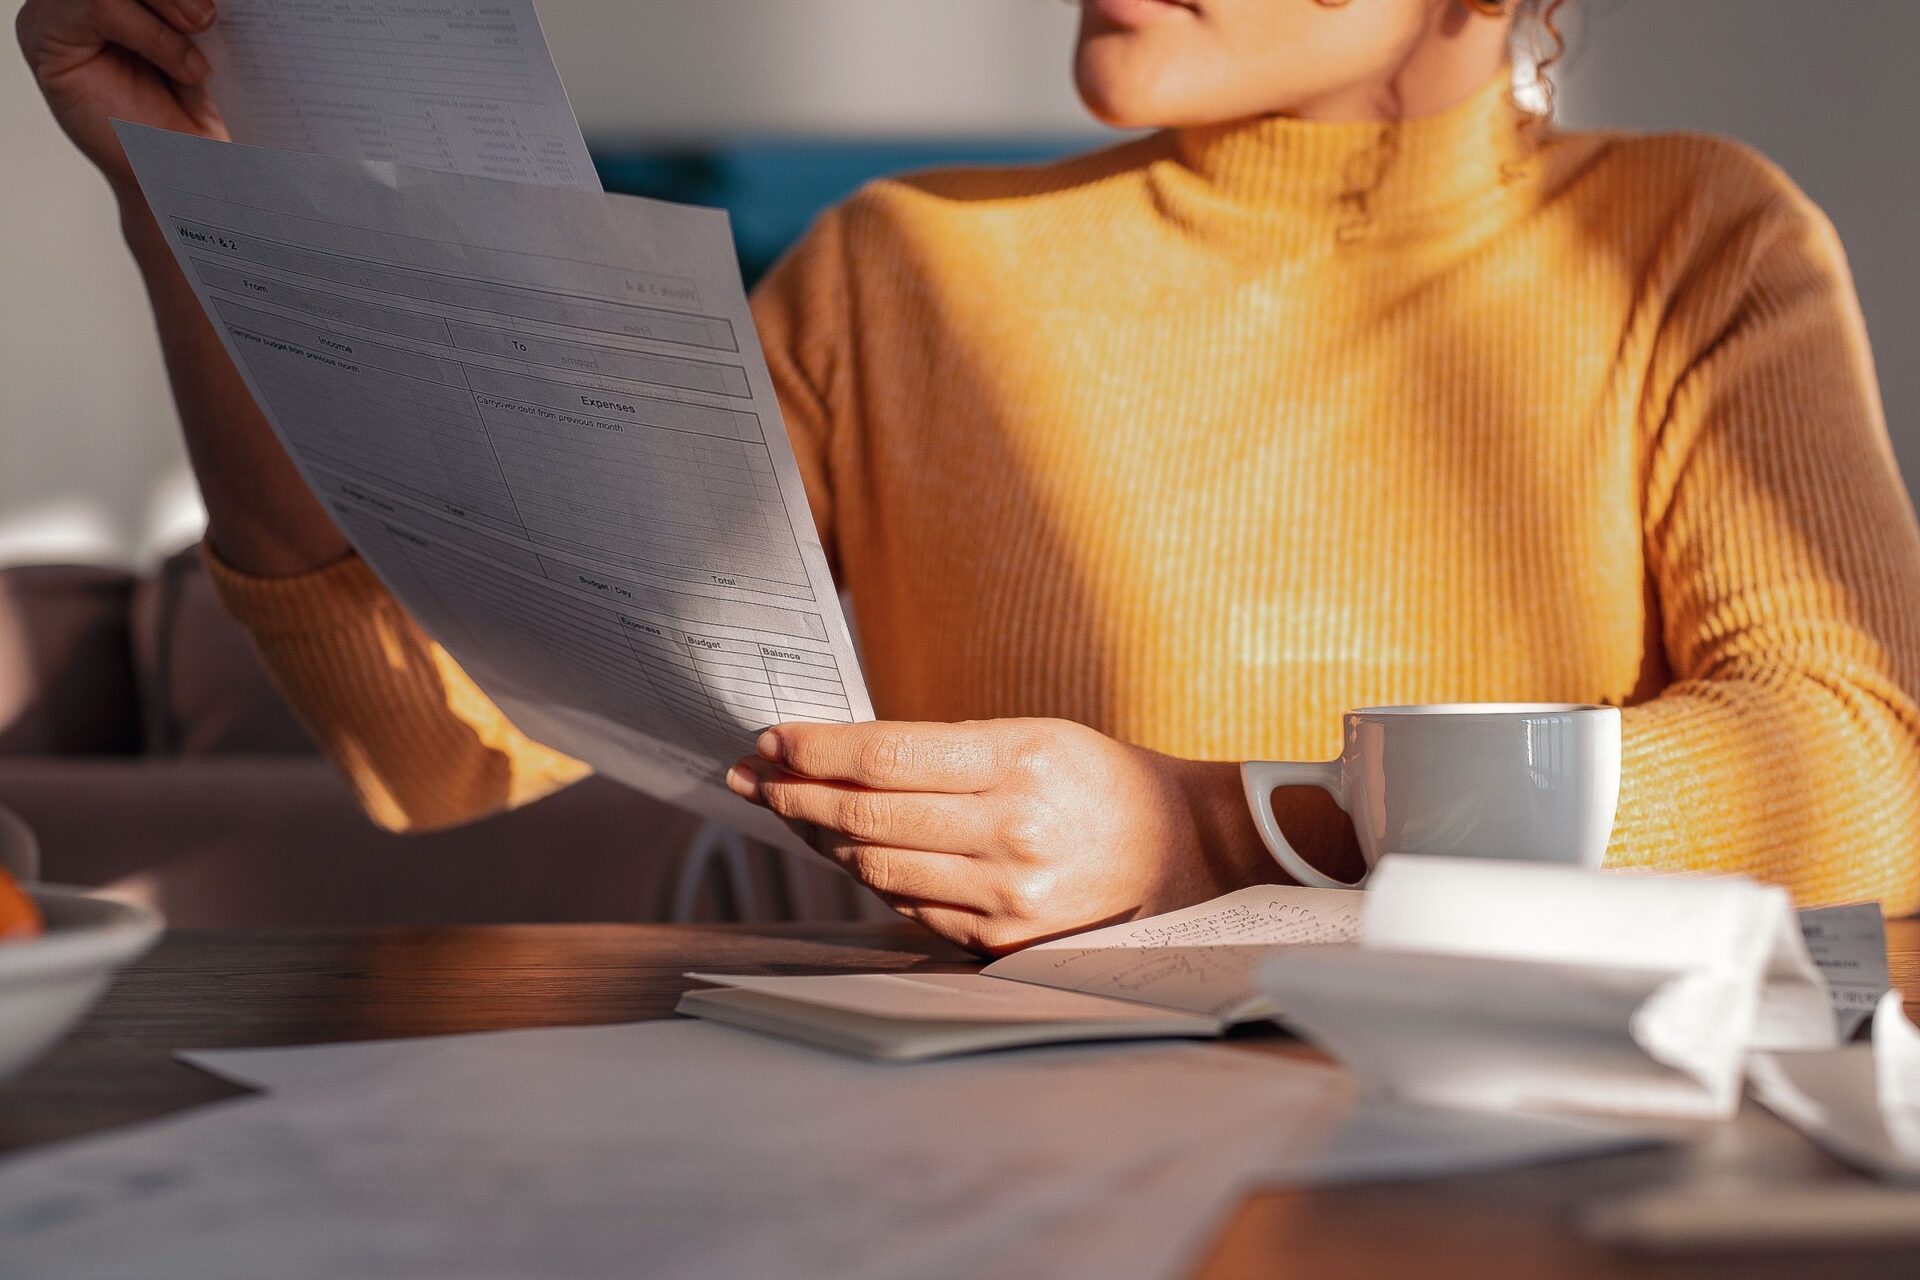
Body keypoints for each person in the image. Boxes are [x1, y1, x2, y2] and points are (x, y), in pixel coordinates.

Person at [17, 0, 1920, 952]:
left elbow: (1864, 762)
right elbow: (431, 749)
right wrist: (186, 208)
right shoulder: (896, 265)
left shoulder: (1684, 240)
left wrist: (1217, 830)